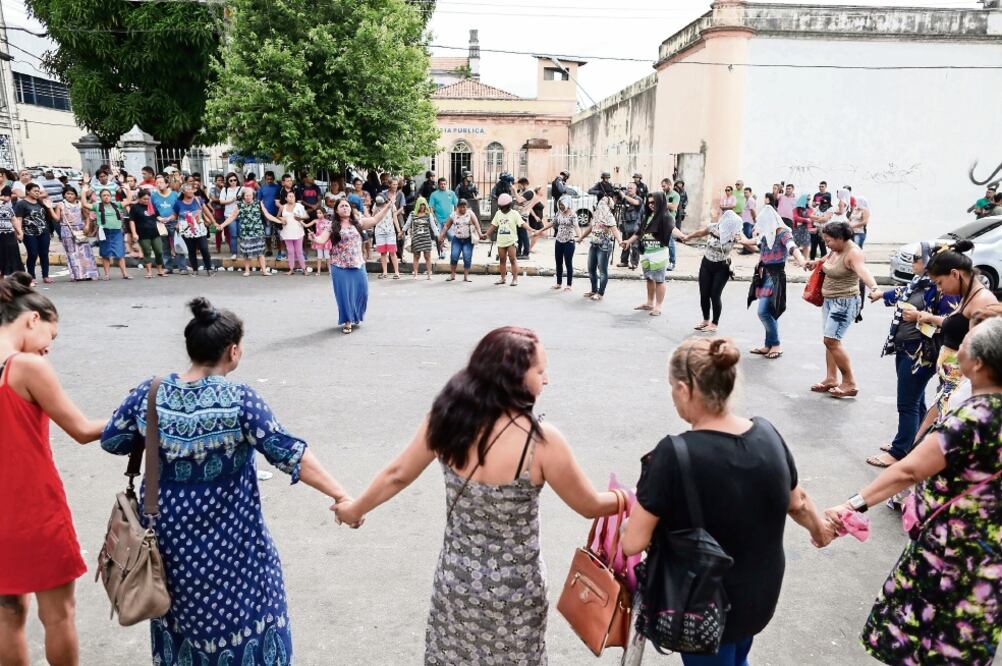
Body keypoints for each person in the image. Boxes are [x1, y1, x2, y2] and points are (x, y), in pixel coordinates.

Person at [334, 326, 621, 664]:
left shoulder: (446, 420)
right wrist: (627, 499)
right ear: (513, 377)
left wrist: (354, 509)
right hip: (516, 595)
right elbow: (589, 505)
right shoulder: (541, 442)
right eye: (540, 371)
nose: (546, 380)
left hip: (457, 585)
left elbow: (397, 475)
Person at [100, 297, 355, 665]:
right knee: (248, 631)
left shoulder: (149, 394)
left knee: (181, 630)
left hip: (170, 552)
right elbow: (287, 451)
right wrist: (341, 494)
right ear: (233, 351)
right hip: (237, 553)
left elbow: (113, 440)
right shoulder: (240, 400)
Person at [623, 336, 830, 666]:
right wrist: (819, 530)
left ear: (684, 389)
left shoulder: (673, 454)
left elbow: (633, 542)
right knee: (738, 655)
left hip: (703, 604)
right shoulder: (767, 433)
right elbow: (799, 502)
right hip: (758, 595)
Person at [823, 318, 1002, 666]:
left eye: (965, 342)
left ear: (978, 363)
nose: (957, 347)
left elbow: (908, 469)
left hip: (951, 549)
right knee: (963, 638)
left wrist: (852, 505)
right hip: (988, 545)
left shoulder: (974, 418)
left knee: (929, 637)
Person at [0, 273, 107, 666]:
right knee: (58, 614)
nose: (48, 349)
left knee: (8, 613)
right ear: (31, 319)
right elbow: (81, 429)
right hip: (33, 509)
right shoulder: (25, 367)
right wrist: (133, 415)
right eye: (51, 336)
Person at [866, 242, 959, 468]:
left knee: (907, 404)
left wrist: (920, 315)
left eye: (917, 258)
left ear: (928, 262)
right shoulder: (920, 283)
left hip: (921, 355)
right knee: (916, 402)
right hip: (906, 350)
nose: (913, 262)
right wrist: (881, 295)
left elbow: (951, 323)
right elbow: (901, 292)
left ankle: (900, 452)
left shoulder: (942, 290)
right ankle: (912, 442)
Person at [912, 240, 999, 434]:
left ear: (954, 274)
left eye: (939, 283)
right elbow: (956, 324)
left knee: (930, 435)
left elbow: (985, 352)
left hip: (961, 382)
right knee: (926, 432)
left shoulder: (982, 301)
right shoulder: (968, 295)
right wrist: (931, 318)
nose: (940, 289)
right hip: (950, 381)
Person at [803, 221, 880, 397]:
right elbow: (826, 260)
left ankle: (850, 383)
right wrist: (815, 263)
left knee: (831, 341)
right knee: (830, 341)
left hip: (844, 302)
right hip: (829, 301)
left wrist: (874, 288)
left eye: (828, 240)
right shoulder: (835, 249)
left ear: (840, 239)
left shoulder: (853, 253)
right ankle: (831, 378)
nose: (826, 244)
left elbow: (863, 272)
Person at [309, 198, 392, 334]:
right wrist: (314, 238)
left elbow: (375, 219)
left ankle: (356, 315)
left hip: (357, 264)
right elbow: (322, 239)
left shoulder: (358, 222)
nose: (345, 208)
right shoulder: (332, 226)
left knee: (363, 293)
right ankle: (347, 321)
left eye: (346, 206)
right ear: (336, 210)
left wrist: (388, 206)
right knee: (344, 296)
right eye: (341, 206)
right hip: (339, 266)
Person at [739, 205, 807, 359]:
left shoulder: (783, 233)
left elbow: (792, 247)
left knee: (763, 311)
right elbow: (752, 241)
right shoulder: (765, 234)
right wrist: (740, 238)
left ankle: (776, 344)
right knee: (768, 311)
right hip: (763, 275)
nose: (760, 225)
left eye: (762, 222)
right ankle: (768, 345)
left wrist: (802, 260)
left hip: (775, 276)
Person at [622, 191, 683, 316]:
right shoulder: (648, 217)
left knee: (659, 280)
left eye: (653, 202)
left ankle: (658, 306)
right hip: (646, 252)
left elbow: (672, 229)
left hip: (659, 253)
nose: (651, 205)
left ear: (660, 202)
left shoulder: (666, 217)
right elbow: (639, 233)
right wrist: (628, 241)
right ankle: (650, 303)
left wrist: (683, 236)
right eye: (649, 202)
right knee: (649, 278)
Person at [684, 210, 743, 332]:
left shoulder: (734, 234)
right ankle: (705, 320)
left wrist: (756, 241)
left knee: (715, 295)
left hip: (722, 267)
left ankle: (714, 323)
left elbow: (745, 241)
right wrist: (688, 236)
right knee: (704, 294)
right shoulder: (713, 227)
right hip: (706, 264)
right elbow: (701, 232)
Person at [219, 188, 274, 277]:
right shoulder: (239, 205)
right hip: (245, 233)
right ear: (243, 196)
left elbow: (267, 215)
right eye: (246, 195)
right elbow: (231, 217)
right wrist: (222, 225)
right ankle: (247, 270)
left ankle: (264, 271)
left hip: (258, 232)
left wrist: (279, 221)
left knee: (260, 253)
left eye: (250, 195)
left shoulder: (258, 203)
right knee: (246, 253)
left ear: (253, 195)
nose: (248, 197)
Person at [81, 184, 130, 280]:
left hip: (116, 232)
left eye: (108, 195)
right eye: (104, 195)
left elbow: (128, 201)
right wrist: (83, 191)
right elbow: (85, 204)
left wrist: (127, 189)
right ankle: (107, 274)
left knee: (120, 253)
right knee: (105, 253)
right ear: (101, 197)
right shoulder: (97, 206)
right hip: (104, 232)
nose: (106, 197)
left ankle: (125, 273)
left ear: (111, 196)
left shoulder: (116, 204)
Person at [50, 186, 97, 282]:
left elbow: (87, 216)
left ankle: (89, 273)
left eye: (72, 194)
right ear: (64, 195)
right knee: (71, 254)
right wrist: (49, 208)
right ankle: (76, 275)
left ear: (75, 195)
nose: (70, 196)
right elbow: (57, 218)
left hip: (80, 230)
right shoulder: (60, 205)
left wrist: (87, 226)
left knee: (85, 252)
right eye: (67, 194)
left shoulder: (80, 204)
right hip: (67, 231)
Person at [578, 197, 621, 302]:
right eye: (601, 200)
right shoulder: (596, 214)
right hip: (593, 245)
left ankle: (600, 293)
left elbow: (614, 229)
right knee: (591, 268)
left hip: (604, 246)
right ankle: (593, 290)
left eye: (605, 201)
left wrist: (620, 241)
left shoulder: (609, 215)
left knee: (602, 271)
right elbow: (590, 228)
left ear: (609, 205)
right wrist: (581, 238)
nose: (602, 201)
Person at [534, 195, 578, 291]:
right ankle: (558, 283)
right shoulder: (559, 213)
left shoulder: (573, 214)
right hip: (559, 240)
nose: (561, 207)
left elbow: (576, 227)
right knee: (558, 262)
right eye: (560, 205)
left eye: (562, 205)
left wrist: (579, 237)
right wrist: (540, 230)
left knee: (568, 263)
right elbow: (552, 223)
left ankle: (569, 285)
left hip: (569, 241)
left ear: (567, 204)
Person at [12, 184, 53, 285]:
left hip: (43, 232)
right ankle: (31, 276)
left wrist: (49, 207)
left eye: (38, 191)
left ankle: (45, 276)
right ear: (28, 191)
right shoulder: (21, 204)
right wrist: (19, 232)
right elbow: (19, 219)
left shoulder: (41, 202)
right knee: (33, 253)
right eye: (35, 191)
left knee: (44, 253)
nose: (37, 193)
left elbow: (48, 217)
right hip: (29, 233)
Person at [489, 193, 530, 287]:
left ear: (509, 205)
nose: (503, 209)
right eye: (501, 207)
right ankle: (503, 278)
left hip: (511, 241)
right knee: (502, 260)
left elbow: (522, 223)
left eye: (505, 207)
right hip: (501, 241)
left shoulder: (514, 214)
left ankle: (515, 279)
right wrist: (486, 234)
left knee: (512, 259)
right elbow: (493, 225)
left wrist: (531, 229)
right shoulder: (498, 214)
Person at [171, 184, 213, 276]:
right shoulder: (178, 203)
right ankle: (195, 269)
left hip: (199, 228)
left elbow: (207, 211)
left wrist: (214, 222)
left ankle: (209, 268)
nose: (190, 191)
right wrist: (168, 220)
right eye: (188, 189)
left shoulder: (198, 200)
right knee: (191, 250)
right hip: (186, 229)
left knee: (204, 248)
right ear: (183, 191)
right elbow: (175, 215)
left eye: (191, 189)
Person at [438, 198, 481, 283]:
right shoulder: (453, 215)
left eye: (464, 207)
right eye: (460, 207)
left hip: (468, 240)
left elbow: (477, 225)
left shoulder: (470, 213)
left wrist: (480, 234)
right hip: (457, 239)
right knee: (454, 256)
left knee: (467, 257)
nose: (462, 209)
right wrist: (442, 234)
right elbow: (447, 225)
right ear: (457, 207)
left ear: (467, 207)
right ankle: (453, 275)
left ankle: (466, 276)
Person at [128, 190, 166, 278]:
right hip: (143, 233)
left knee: (159, 251)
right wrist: (134, 233)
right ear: (139, 198)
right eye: (144, 199)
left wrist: (163, 219)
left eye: (148, 199)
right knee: (147, 252)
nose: (146, 201)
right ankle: (149, 271)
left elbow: (157, 216)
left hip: (155, 232)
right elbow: (132, 221)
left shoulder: (151, 206)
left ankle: (160, 270)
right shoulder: (135, 207)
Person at [151, 175, 184, 274]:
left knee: (178, 245)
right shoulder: (154, 196)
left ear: (166, 184)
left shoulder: (175, 195)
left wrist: (178, 221)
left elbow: (180, 209)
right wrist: (158, 217)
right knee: (165, 246)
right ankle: (168, 267)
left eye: (161, 182)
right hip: (161, 224)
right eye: (157, 183)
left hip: (173, 222)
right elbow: (152, 210)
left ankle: (182, 267)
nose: (159, 185)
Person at [403, 197, 438, 280]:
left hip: (426, 238)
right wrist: (401, 232)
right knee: (416, 256)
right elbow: (407, 224)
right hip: (416, 238)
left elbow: (433, 226)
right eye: (420, 205)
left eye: (423, 205)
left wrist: (438, 235)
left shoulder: (428, 214)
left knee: (427, 256)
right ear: (417, 205)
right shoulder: (412, 214)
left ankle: (429, 274)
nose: (422, 207)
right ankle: (415, 274)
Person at [275, 190, 308, 275]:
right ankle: (291, 269)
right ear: (286, 198)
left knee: (299, 251)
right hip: (287, 231)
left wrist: (300, 218)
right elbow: (277, 216)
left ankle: (304, 269)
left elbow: (307, 216)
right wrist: (282, 219)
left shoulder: (299, 206)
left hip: (298, 231)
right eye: (289, 196)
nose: (291, 198)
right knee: (290, 251)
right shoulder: (283, 207)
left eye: (293, 196)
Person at [371, 195, 403, 280]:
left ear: (385, 201)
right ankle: (385, 272)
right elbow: (373, 217)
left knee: (392, 252)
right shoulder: (376, 205)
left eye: (382, 203)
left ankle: (397, 272)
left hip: (390, 231)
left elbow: (395, 217)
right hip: (379, 232)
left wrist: (399, 230)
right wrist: (377, 209)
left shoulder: (391, 205)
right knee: (383, 253)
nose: (381, 205)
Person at [429, 178, 458, 260]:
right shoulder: (434, 195)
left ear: (446, 184)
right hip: (438, 219)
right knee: (440, 237)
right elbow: (430, 207)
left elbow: (456, 205)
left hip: (449, 220)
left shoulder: (451, 193)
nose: (443, 185)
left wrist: (455, 216)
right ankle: (442, 252)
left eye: (444, 184)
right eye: (441, 184)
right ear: (438, 185)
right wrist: (433, 217)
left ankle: (455, 252)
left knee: (453, 236)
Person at [217, 172, 242, 259]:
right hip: (229, 215)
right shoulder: (225, 190)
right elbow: (221, 201)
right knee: (233, 235)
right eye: (231, 180)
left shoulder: (241, 189)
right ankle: (234, 253)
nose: (233, 182)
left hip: (241, 214)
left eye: (235, 180)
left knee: (242, 234)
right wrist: (232, 199)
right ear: (228, 181)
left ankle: (243, 252)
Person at [617, 183, 643, 269]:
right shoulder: (624, 199)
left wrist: (624, 196)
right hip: (625, 225)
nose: (629, 190)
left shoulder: (638, 198)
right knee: (625, 243)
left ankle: (634, 263)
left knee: (635, 245)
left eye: (631, 188)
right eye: (628, 188)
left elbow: (635, 203)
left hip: (635, 225)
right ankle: (624, 261)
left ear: (635, 189)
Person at [0, 187, 24, 277]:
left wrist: (20, 232)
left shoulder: (7, 207)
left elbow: (14, 220)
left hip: (9, 235)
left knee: (13, 256)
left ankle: (20, 280)